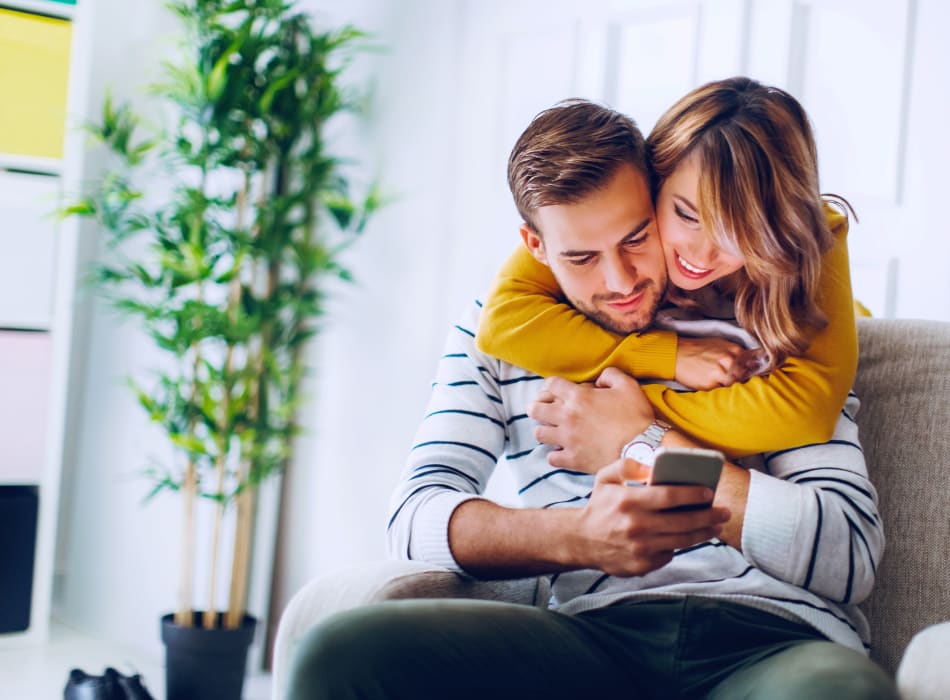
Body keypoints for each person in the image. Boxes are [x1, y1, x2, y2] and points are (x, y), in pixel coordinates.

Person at [284, 97, 896, 699]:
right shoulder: (496, 337)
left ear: (654, 198)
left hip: (776, 638)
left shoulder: (772, 326)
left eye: (636, 238)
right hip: (594, 637)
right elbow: (413, 519)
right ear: (536, 246)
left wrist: (644, 444)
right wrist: (577, 537)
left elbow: (848, 556)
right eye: (581, 257)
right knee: (342, 654)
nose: (621, 281)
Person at [476, 77, 858, 458]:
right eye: (687, 216)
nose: (703, 256)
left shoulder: (808, 233)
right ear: (655, 178)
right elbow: (502, 323)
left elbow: (807, 412)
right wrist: (667, 356)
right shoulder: (597, 218)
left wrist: (627, 420)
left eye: (740, 233)